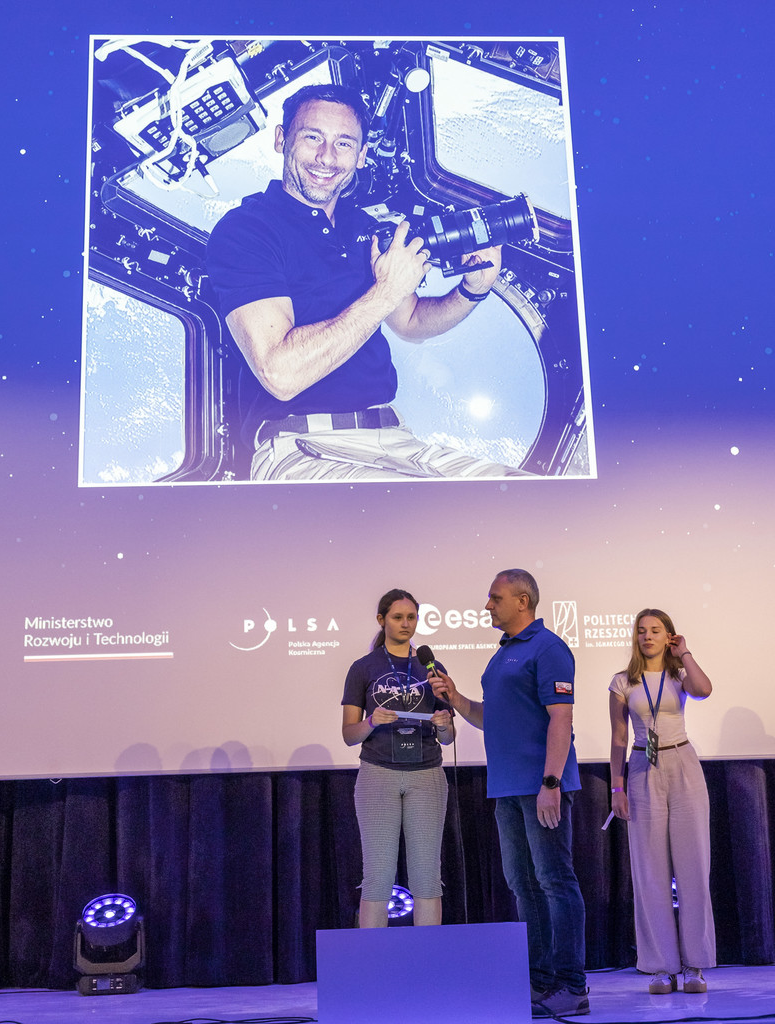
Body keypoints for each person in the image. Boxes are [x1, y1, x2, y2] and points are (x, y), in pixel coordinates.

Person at [206, 83, 528, 481]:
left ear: (361, 156)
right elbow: (280, 373)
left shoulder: (364, 227)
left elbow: (409, 321)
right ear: (281, 139)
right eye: (312, 138)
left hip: (396, 440)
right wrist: (386, 291)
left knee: (537, 499)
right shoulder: (247, 231)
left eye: (344, 144)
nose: (327, 157)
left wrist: (471, 291)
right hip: (302, 448)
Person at [428, 569, 588, 1019]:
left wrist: (551, 784)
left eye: (495, 598)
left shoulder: (548, 647)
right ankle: (539, 982)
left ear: (523, 601)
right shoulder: (502, 654)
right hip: (507, 789)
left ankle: (572, 986)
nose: (487, 605)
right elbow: (490, 717)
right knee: (523, 884)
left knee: (554, 881)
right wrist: (456, 698)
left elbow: (561, 718)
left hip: (540, 786)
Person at [609, 609, 715, 995]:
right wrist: (616, 788)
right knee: (650, 873)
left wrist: (684, 652)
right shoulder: (623, 681)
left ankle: (694, 965)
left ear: (668, 635)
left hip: (682, 761)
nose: (647, 636)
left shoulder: (679, 674)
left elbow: (704, 689)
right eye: (641, 631)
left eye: (656, 630)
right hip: (642, 766)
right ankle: (660, 967)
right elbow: (619, 738)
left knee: (693, 867)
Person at [341, 588, 454, 928]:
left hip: (427, 774)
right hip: (378, 773)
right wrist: (372, 721)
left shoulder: (432, 666)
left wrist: (444, 724)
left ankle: (428, 956)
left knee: (427, 876)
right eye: (398, 617)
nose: (406, 624)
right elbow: (349, 734)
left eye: (411, 617)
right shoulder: (363, 668)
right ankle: (373, 957)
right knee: (377, 875)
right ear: (382, 620)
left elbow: (448, 738)